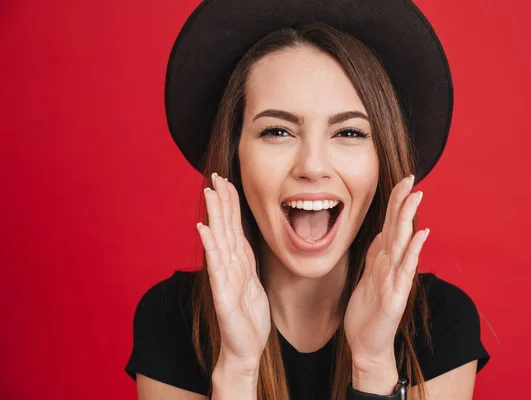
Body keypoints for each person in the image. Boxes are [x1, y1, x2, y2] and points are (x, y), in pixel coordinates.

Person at [125, 1, 491, 399]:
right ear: (235, 155)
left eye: (349, 133)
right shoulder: (169, 319)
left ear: (382, 160)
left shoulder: (441, 322)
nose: (313, 166)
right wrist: (238, 370)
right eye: (278, 132)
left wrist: (372, 363)